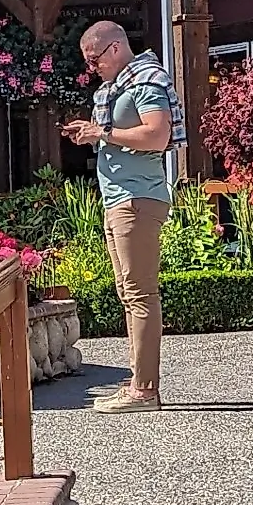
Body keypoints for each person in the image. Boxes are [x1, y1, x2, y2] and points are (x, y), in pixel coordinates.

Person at [62, 21, 176, 412]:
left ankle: (144, 390)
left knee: (140, 294)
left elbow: (157, 136)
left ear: (114, 49)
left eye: (94, 59)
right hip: (120, 199)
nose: (92, 67)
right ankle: (139, 383)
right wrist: (93, 132)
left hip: (138, 199)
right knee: (130, 293)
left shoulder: (145, 80)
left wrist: (104, 134)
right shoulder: (116, 87)